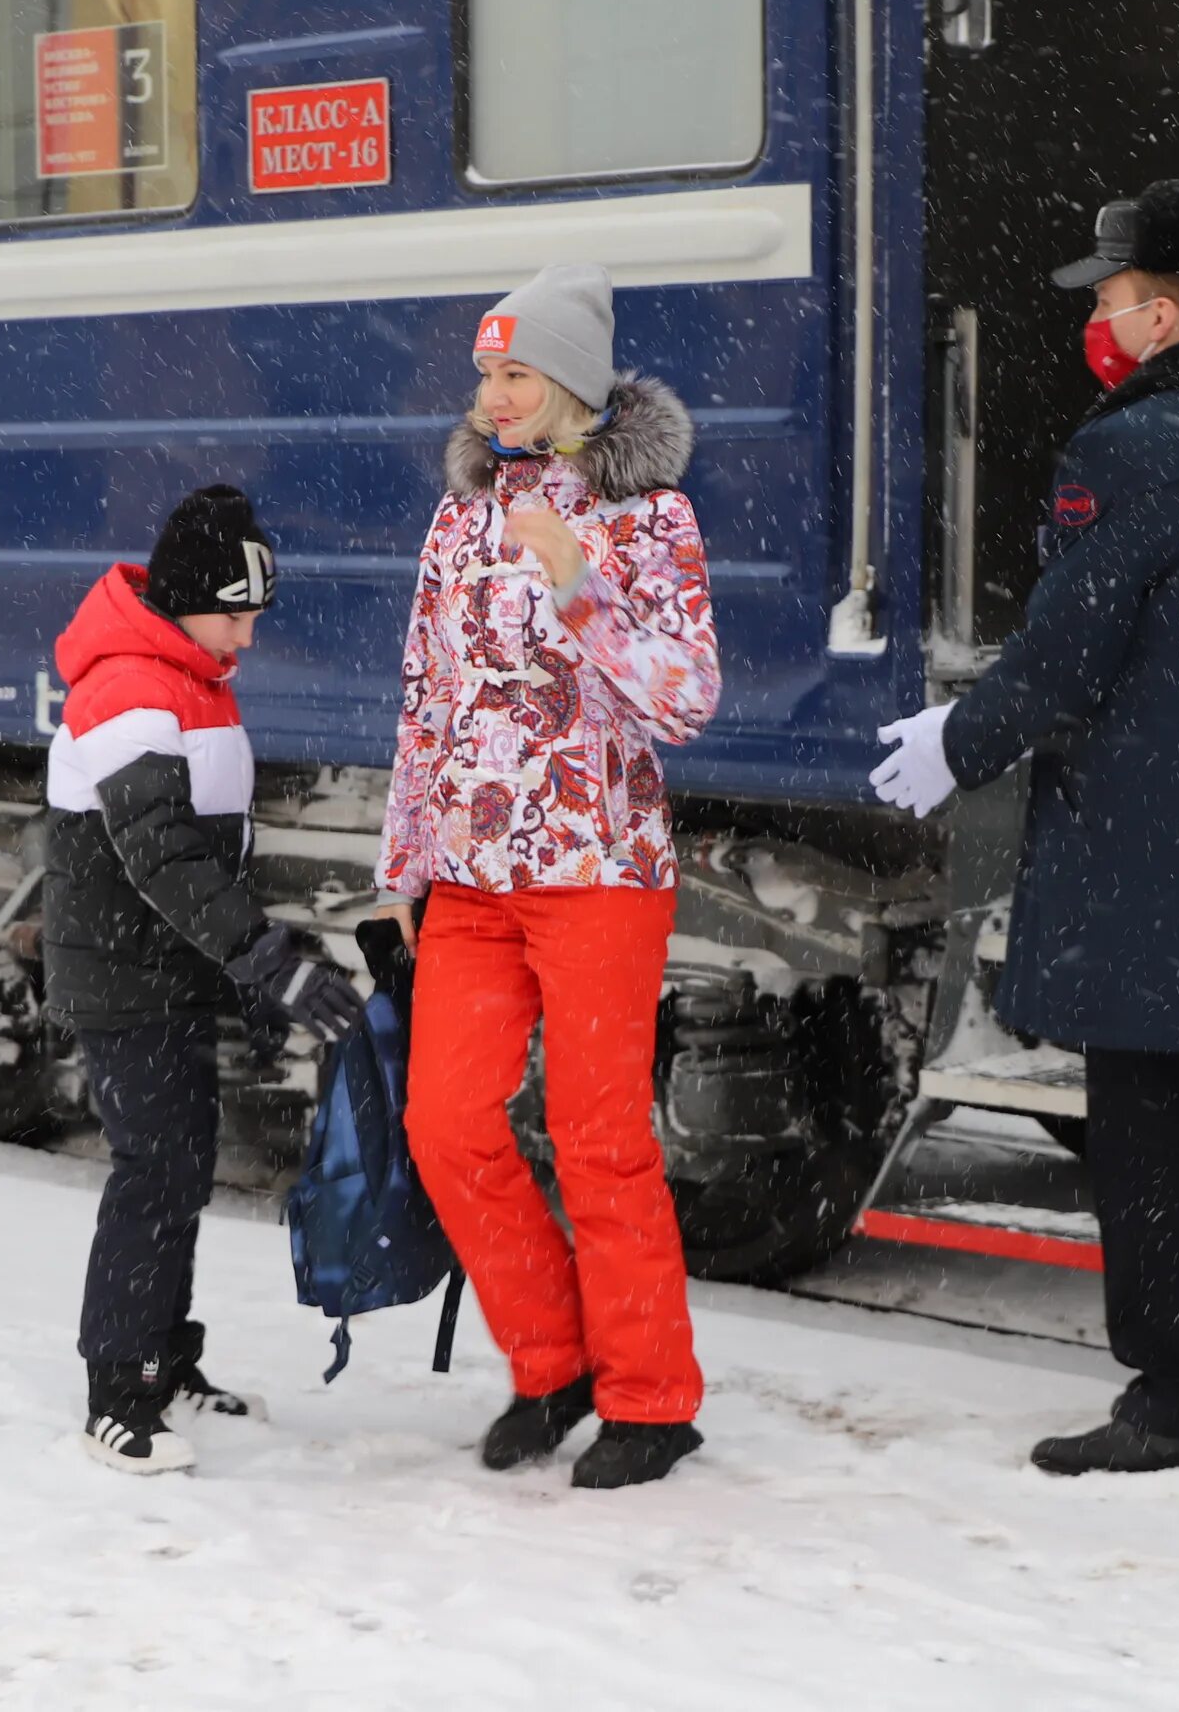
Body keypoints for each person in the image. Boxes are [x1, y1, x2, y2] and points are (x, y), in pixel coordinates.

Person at [871, 181, 1179, 1476]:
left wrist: (956, 743)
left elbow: (1068, 648)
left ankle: (1175, 1404)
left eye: (1114, 302)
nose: (1100, 325)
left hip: (1135, 835)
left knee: (1149, 1127)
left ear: (1165, 315)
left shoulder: (1128, 451)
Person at [379, 263, 723, 1491]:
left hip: (598, 867)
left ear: (572, 383)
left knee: (598, 1139)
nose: (492, 394)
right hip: (471, 875)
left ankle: (652, 1396)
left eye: (514, 372)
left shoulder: (650, 520)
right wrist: (402, 858)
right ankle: (552, 1359)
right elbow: (427, 693)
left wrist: (578, 587)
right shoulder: (461, 516)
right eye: (484, 372)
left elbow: (685, 702)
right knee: (446, 1122)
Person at [40, 483, 370, 1476]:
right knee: (154, 1168)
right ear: (187, 601)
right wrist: (264, 959)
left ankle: (167, 1362)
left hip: (168, 968)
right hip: (124, 974)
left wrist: (241, 970)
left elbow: (211, 857)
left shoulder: (189, 676)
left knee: (180, 1164)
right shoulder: (129, 689)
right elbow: (163, 857)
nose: (248, 639)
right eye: (236, 616)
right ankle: (117, 1387)